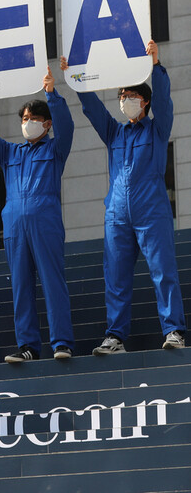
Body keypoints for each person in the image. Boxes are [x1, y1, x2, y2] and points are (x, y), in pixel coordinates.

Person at [65, 40, 186, 354]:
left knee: (163, 271)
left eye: (130, 96)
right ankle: (115, 336)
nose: (124, 101)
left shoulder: (157, 130)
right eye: (121, 96)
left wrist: (156, 67)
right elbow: (92, 108)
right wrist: (74, 77)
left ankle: (173, 331)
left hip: (152, 211)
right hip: (117, 214)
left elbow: (165, 102)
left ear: (144, 103)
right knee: (116, 277)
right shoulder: (114, 133)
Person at [0, 68, 75, 362]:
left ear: (46, 124)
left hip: (45, 220)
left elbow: (67, 126)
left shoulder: (56, 148)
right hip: (14, 224)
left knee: (52, 281)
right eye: (24, 119)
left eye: (33, 119)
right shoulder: (10, 153)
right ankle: (28, 346)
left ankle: (61, 342)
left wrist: (53, 94)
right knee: (21, 286)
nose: (27, 124)